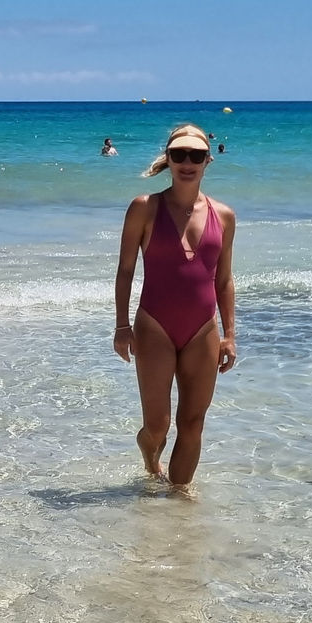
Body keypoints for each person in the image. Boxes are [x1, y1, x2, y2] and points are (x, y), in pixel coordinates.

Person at [113, 124, 237, 494]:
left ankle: (179, 499)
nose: (187, 162)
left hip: (203, 329)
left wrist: (230, 335)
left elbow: (224, 280)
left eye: (195, 155)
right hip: (154, 325)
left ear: (207, 161)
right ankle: (151, 459)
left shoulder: (224, 216)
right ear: (168, 159)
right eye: (178, 154)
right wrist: (122, 326)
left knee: (193, 423)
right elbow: (125, 270)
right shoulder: (144, 208)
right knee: (158, 426)